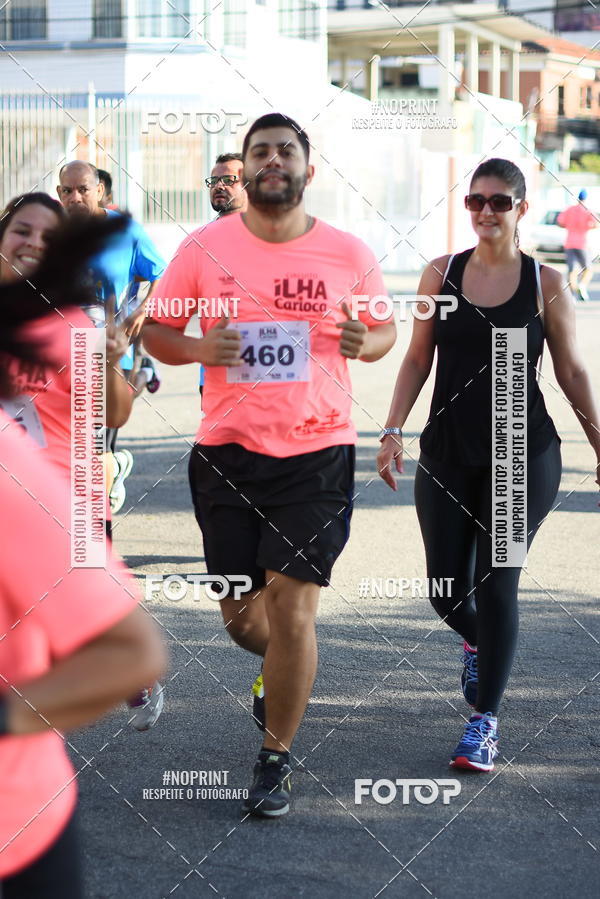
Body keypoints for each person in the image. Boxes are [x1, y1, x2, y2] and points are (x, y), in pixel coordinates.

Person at [144, 112, 396, 817]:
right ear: (244, 171)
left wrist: (364, 339)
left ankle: (274, 758)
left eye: (286, 150)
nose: (273, 160)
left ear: (308, 169)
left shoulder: (347, 252)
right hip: (227, 450)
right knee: (240, 615)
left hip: (316, 450)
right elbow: (159, 329)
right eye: (261, 152)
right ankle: (277, 674)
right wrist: (199, 350)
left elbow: (383, 331)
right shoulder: (204, 246)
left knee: (292, 608)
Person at [378, 158, 600, 772]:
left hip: (519, 452)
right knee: (445, 590)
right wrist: (393, 429)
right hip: (448, 449)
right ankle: (475, 638)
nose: (485, 211)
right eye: (476, 200)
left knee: (499, 580)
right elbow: (417, 359)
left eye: (499, 202)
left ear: (521, 209)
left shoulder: (544, 282)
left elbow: (573, 371)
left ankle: (486, 722)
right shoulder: (438, 274)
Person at [0, 219, 167, 897]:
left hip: (65, 500)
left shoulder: (78, 327)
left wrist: (107, 356)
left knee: (64, 643)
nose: (33, 238)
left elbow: (115, 415)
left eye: (51, 225)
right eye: (20, 226)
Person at [57, 161, 166, 512]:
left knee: (92, 455)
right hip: (61, 362)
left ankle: (97, 518)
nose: (75, 197)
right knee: (67, 454)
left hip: (109, 360)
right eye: (67, 190)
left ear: (100, 190)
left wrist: (143, 310)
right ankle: (112, 468)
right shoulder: (50, 234)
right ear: (59, 194)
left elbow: (163, 275)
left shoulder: (125, 232)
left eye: (83, 189)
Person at [197, 153, 249, 397]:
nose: (219, 186)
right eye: (214, 181)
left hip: (270, 366)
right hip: (214, 371)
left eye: (229, 180)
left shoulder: (274, 235)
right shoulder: (199, 242)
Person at [557, 189, 598, 302]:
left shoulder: (570, 210)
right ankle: (582, 285)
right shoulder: (587, 211)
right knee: (588, 269)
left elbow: (560, 222)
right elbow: (595, 224)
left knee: (572, 271)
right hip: (582, 244)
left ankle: (573, 295)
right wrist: (587, 226)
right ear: (586, 199)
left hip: (569, 243)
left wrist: (569, 226)